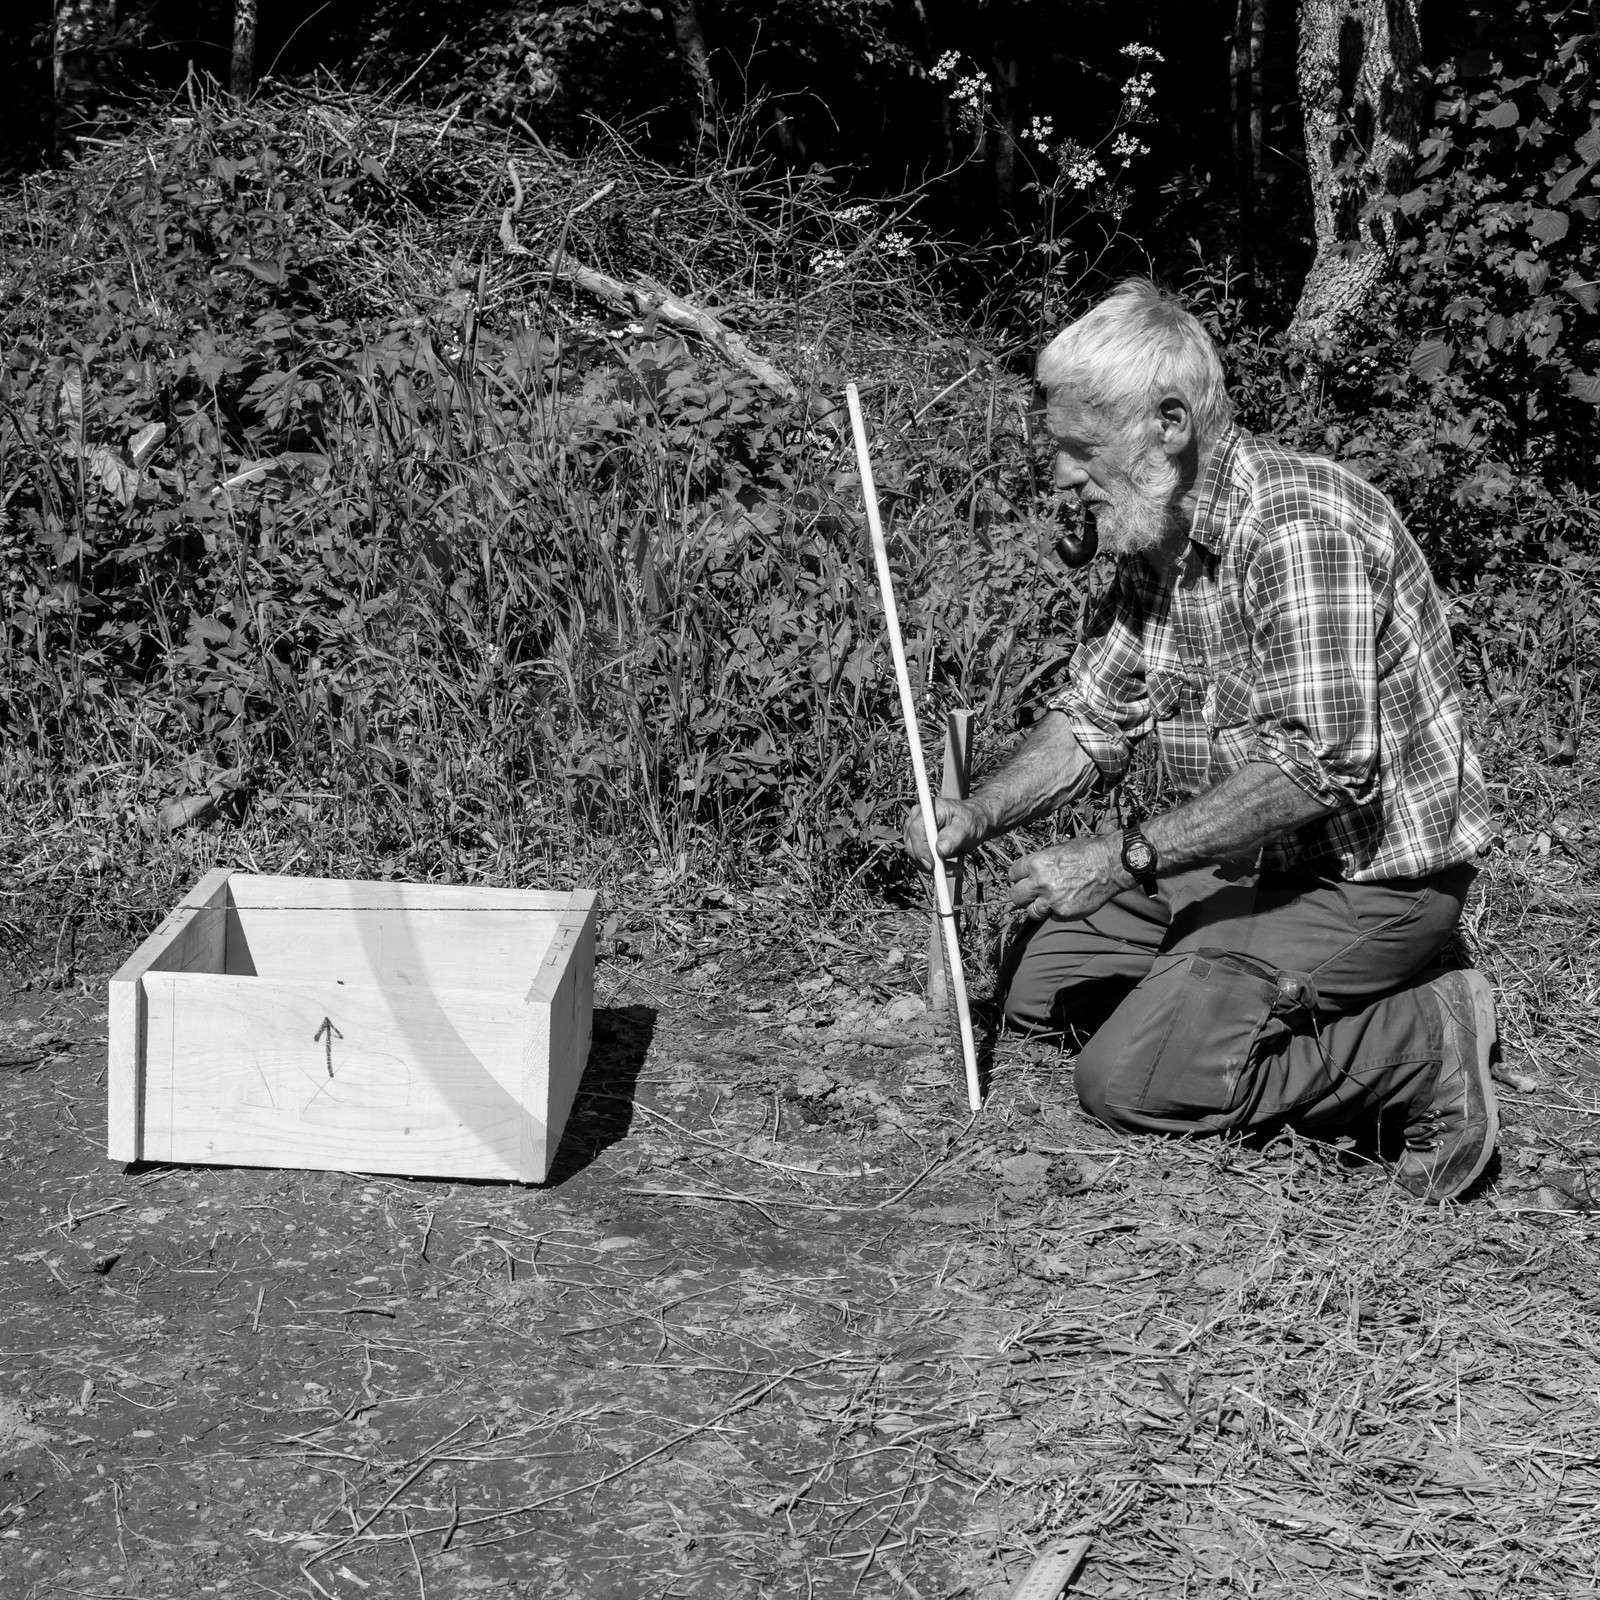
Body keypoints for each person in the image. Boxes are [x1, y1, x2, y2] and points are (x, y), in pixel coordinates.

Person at [905, 279, 1498, 1203]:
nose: (1060, 474)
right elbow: (1094, 715)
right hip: (1240, 867)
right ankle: (1221, 985)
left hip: (1366, 883)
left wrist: (1125, 855)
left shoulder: (1301, 529)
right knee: (1036, 986)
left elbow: (1320, 767)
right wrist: (975, 812)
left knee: (1129, 1082)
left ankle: (1426, 1036)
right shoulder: (1157, 542)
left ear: (1169, 425)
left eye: (1077, 448)